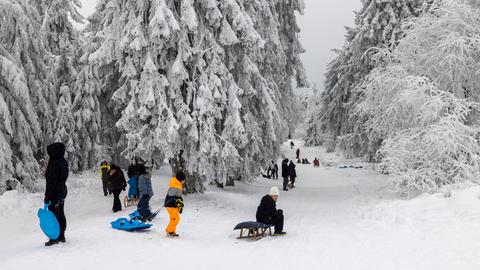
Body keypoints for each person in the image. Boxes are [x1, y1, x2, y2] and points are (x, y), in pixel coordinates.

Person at [44, 142, 69, 246]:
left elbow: (51, 182)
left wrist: (47, 196)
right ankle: (61, 235)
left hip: (55, 193)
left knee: (54, 215)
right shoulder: (63, 161)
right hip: (62, 191)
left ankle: (55, 237)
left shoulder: (54, 164)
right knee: (60, 213)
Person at [164, 172, 186, 237]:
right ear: (180, 179)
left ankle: (172, 231)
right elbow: (170, 195)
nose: (184, 181)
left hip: (174, 205)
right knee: (176, 218)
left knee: (173, 218)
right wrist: (177, 200)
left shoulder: (178, 184)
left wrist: (180, 202)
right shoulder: (175, 185)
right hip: (170, 205)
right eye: (183, 180)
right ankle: (169, 231)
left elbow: (178, 195)